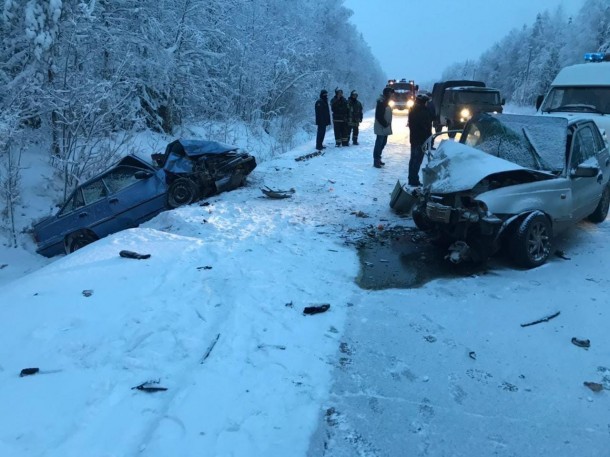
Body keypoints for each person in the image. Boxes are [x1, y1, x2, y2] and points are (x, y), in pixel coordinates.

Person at [407, 94, 433, 186]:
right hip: (420, 139)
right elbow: (425, 126)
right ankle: (414, 180)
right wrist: (428, 136)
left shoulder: (413, 110)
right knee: (417, 160)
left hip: (414, 138)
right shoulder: (422, 111)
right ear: (423, 102)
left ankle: (412, 178)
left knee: (413, 159)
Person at [373, 86, 394, 168]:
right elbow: (379, 115)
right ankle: (376, 160)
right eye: (391, 93)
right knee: (379, 144)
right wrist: (385, 124)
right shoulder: (381, 102)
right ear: (387, 93)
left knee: (383, 143)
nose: (392, 95)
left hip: (385, 127)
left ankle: (378, 158)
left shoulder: (386, 101)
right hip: (381, 127)